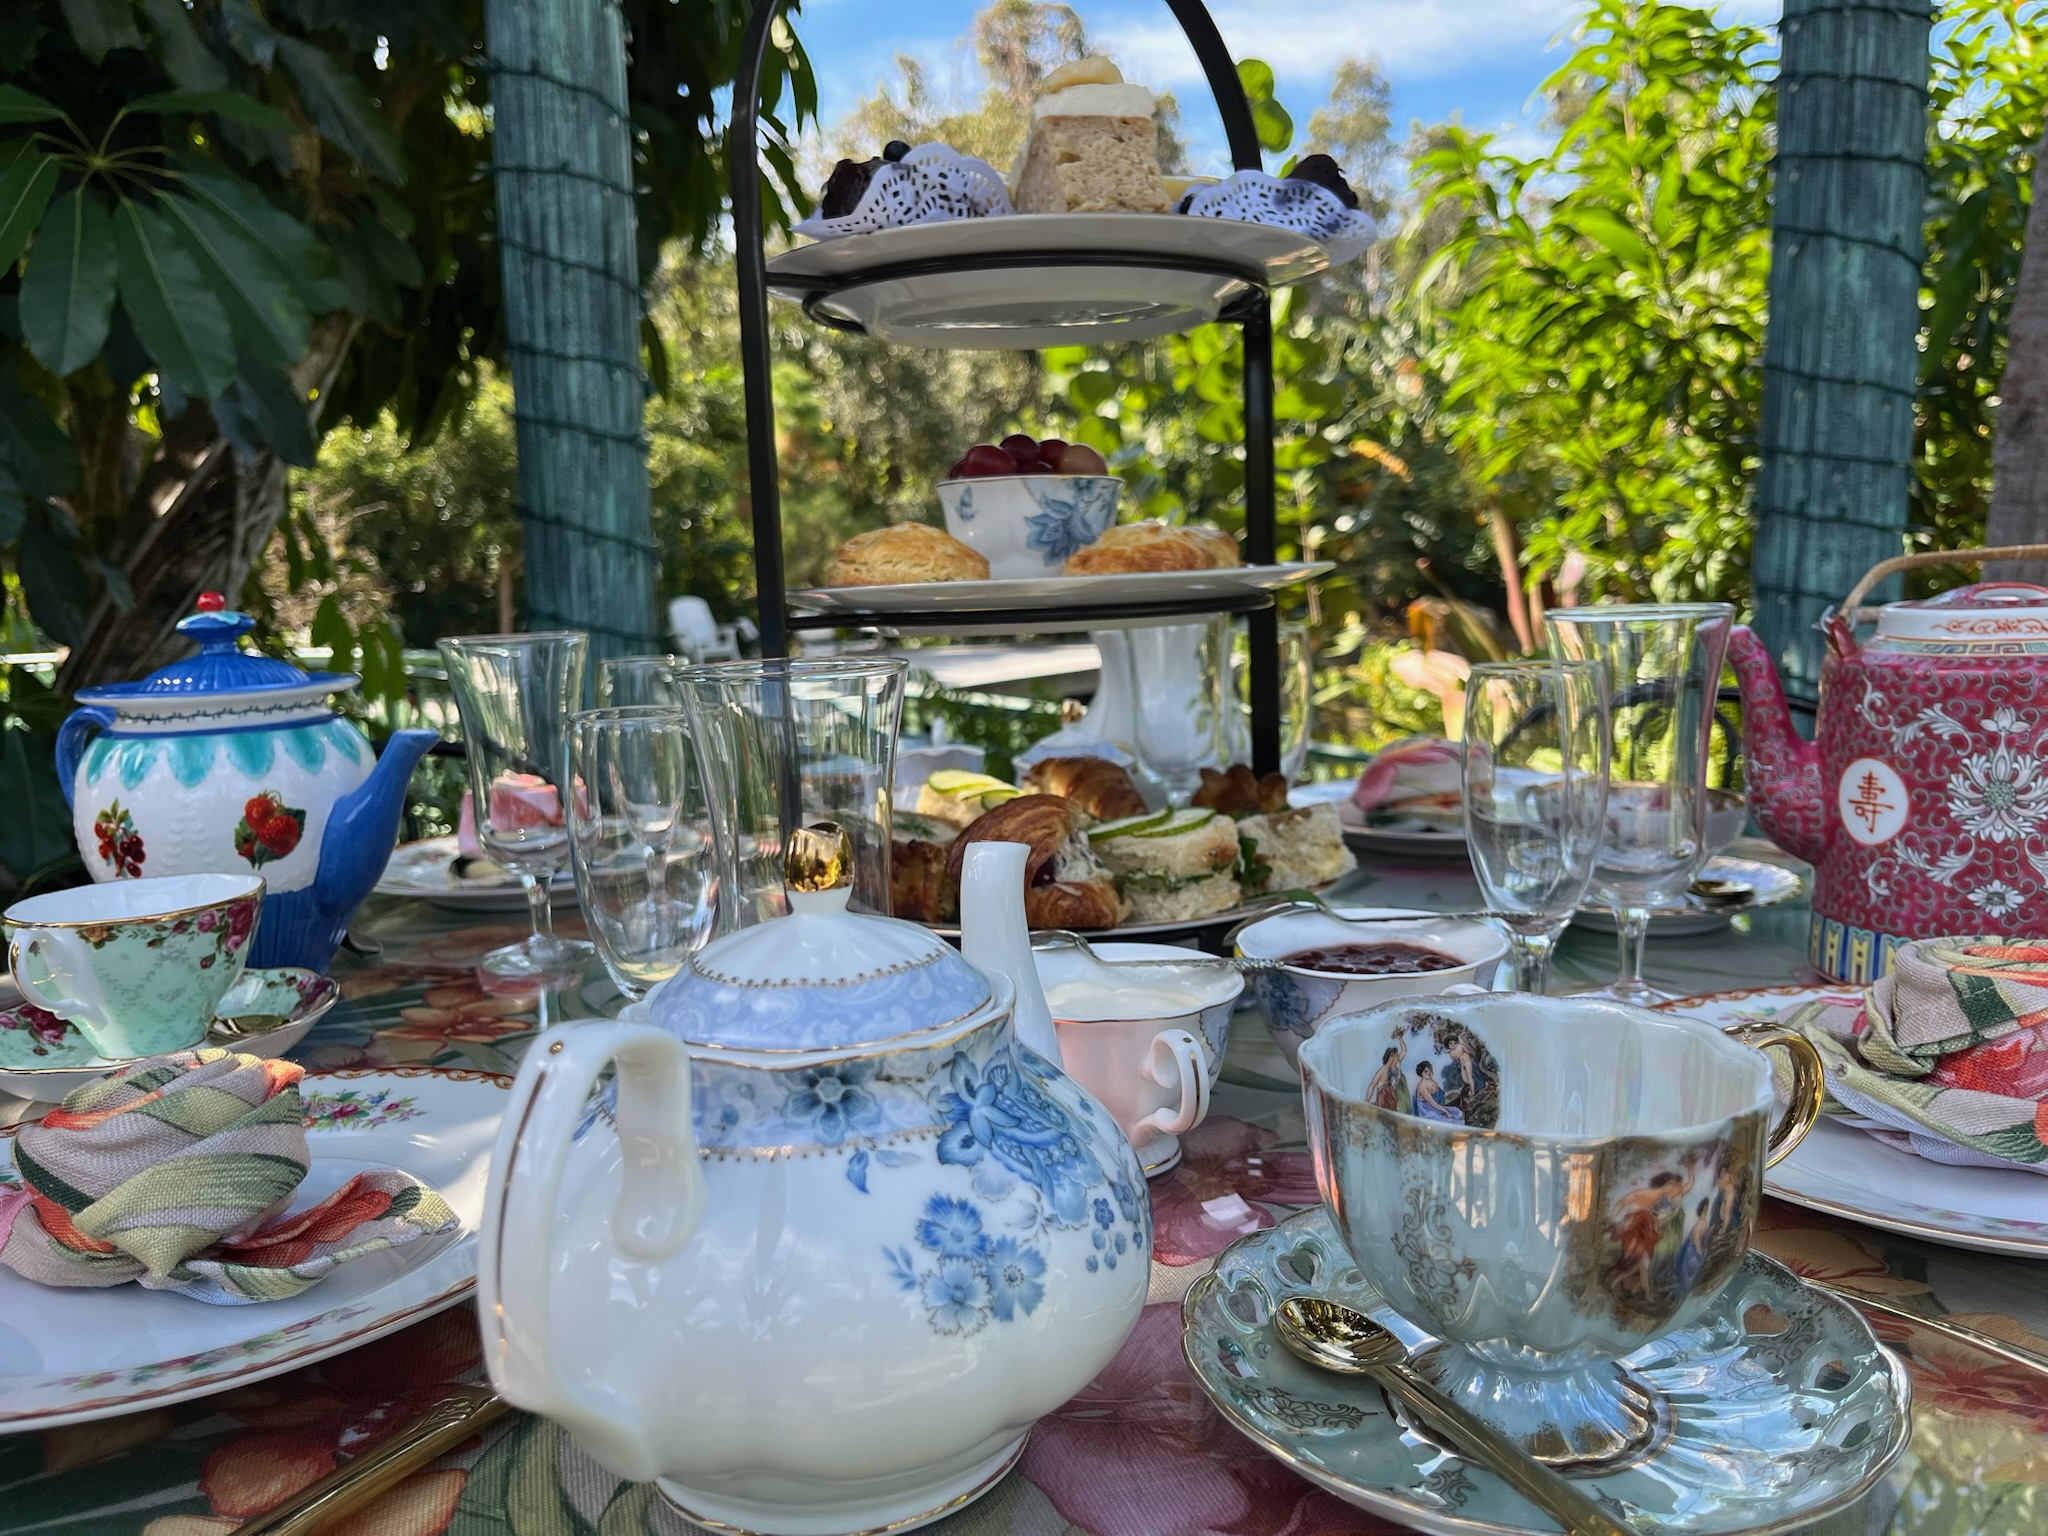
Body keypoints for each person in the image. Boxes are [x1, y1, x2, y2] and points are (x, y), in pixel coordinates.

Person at [1365, 1041, 1411, 1115]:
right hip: (1385, 1100)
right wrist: (1366, 1101)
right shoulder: (1383, 1070)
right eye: (1396, 1055)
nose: (1398, 1057)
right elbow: (1372, 1085)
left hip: (1395, 1099)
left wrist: (1400, 1038)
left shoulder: (1396, 1066)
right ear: (1391, 1057)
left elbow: (1404, 1050)